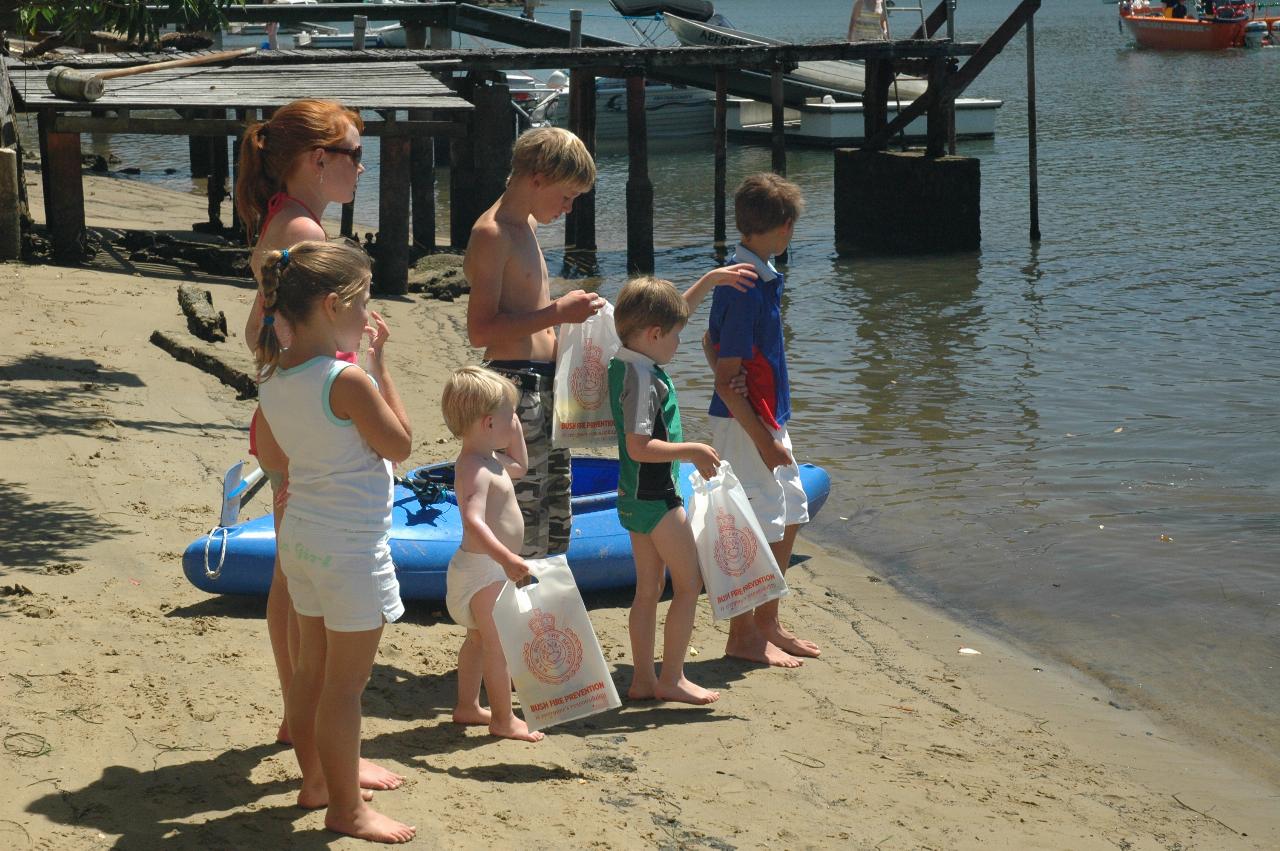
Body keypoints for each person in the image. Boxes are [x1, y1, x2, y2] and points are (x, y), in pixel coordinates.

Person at [235, 99, 402, 793]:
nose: (364, 166)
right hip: (317, 418)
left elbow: (260, 334)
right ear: (317, 160)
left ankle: (302, 728)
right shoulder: (299, 226)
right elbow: (260, 331)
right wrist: (334, 368)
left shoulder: (287, 214)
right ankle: (325, 749)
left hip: (292, 410)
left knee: (294, 576)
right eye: (354, 154)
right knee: (315, 616)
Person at [254, 240, 414, 843]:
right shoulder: (346, 379)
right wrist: (380, 366)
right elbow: (399, 445)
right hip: (351, 551)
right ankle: (345, 811)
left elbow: (273, 460)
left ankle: (317, 781)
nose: (368, 318)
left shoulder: (274, 377)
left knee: (310, 672)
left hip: (303, 543)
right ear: (331, 304)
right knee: (345, 689)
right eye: (363, 304)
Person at [608, 268, 757, 705]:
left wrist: (709, 281)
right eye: (674, 336)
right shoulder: (643, 380)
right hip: (656, 497)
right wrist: (692, 449)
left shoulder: (626, 358)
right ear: (653, 334)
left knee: (648, 590)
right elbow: (638, 446)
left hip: (632, 496)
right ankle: (671, 677)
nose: (680, 342)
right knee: (689, 586)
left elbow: (667, 315)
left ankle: (642, 680)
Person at [464, 127, 603, 560]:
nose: (569, 208)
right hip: (514, 388)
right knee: (519, 512)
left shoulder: (525, 224)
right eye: (566, 196)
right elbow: (480, 331)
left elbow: (535, 317)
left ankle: (543, 607)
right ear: (538, 177)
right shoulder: (493, 233)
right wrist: (559, 313)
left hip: (545, 383)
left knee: (555, 511)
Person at [704, 174, 819, 669]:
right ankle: (742, 635)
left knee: (791, 508)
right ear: (785, 227)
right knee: (759, 518)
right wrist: (765, 443)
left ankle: (767, 621)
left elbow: (711, 345)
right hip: (745, 423)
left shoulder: (759, 274)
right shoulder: (744, 284)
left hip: (766, 416)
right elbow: (727, 379)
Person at [441, 366, 545, 742]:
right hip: (485, 570)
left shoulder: (489, 459)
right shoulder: (475, 468)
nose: (514, 422)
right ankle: (503, 717)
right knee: (497, 646)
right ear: (488, 423)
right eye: (509, 417)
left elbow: (521, 465)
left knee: (478, 640)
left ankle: (467, 706)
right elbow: (472, 522)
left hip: (485, 569)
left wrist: (512, 425)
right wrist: (507, 559)